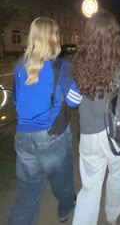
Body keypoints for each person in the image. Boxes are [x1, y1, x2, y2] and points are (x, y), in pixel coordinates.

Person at [71, 10, 120, 225]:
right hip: (116, 134)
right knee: (117, 175)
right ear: (114, 35)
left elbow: (73, 99)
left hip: (88, 136)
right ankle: (112, 216)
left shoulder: (78, 63)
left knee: (89, 187)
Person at [7, 17, 82, 225]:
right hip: (51, 137)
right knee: (62, 182)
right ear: (52, 38)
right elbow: (75, 101)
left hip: (22, 137)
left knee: (27, 194)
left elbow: (15, 99)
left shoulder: (19, 66)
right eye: (57, 33)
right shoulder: (61, 66)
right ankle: (66, 207)